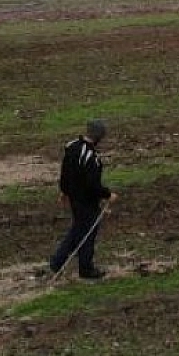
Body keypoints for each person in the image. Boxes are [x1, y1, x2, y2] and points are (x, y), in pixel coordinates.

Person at [48, 119, 117, 279]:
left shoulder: (72, 146)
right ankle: (84, 268)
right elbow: (91, 184)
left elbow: (65, 172)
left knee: (78, 229)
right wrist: (107, 194)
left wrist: (64, 191)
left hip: (74, 198)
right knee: (87, 232)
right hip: (86, 201)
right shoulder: (91, 156)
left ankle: (58, 263)